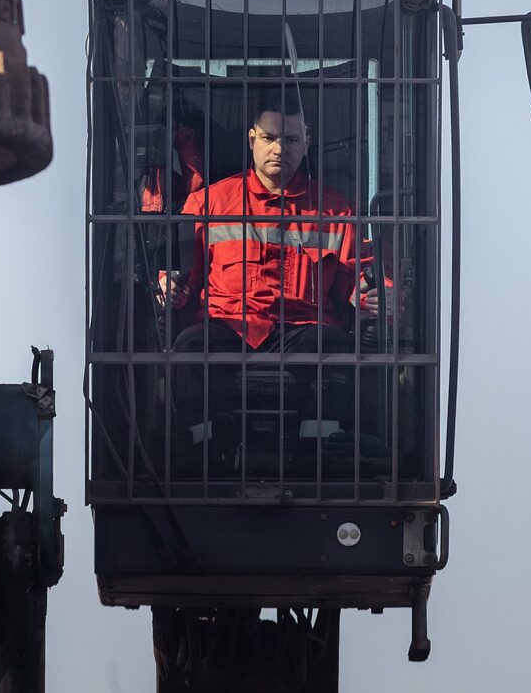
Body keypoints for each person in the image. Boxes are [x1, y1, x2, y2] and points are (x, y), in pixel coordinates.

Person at [159, 92, 384, 442]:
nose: (280, 148)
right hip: (227, 328)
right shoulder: (206, 204)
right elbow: (179, 272)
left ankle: (326, 445)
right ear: (252, 140)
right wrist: (166, 286)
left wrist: (374, 294)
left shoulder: (336, 210)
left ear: (306, 143)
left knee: (337, 350)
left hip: (303, 332)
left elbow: (358, 276)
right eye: (269, 138)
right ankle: (197, 442)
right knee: (190, 346)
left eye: (291, 139)